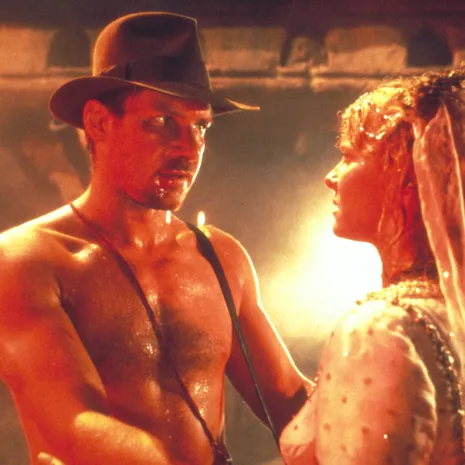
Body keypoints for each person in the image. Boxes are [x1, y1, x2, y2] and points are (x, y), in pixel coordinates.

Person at [0, 12, 311, 465]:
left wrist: (382, 407)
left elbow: (290, 401)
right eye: (164, 120)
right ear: (98, 122)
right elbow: (71, 427)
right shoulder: (26, 261)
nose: (189, 147)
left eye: (201, 126)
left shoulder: (221, 257)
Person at [279, 70, 465, 464]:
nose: (330, 177)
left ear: (406, 175)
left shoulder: (379, 331)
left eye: (348, 156)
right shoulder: (449, 312)